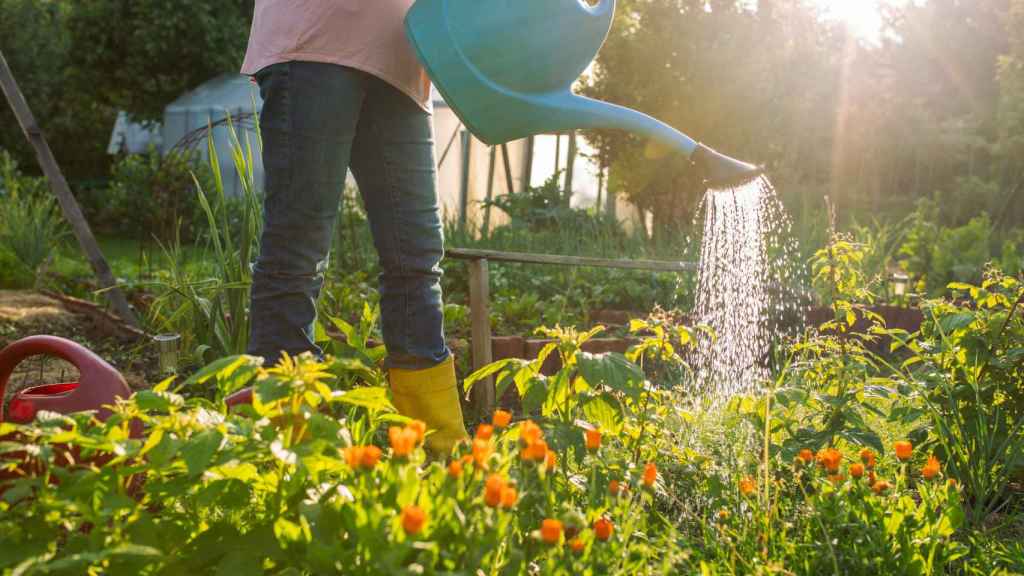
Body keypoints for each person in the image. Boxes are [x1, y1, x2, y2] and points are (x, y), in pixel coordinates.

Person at [240, 0, 467, 453]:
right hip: (315, 40)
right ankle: (286, 450)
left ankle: (439, 450)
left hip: (402, 59)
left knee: (417, 260)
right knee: (297, 253)